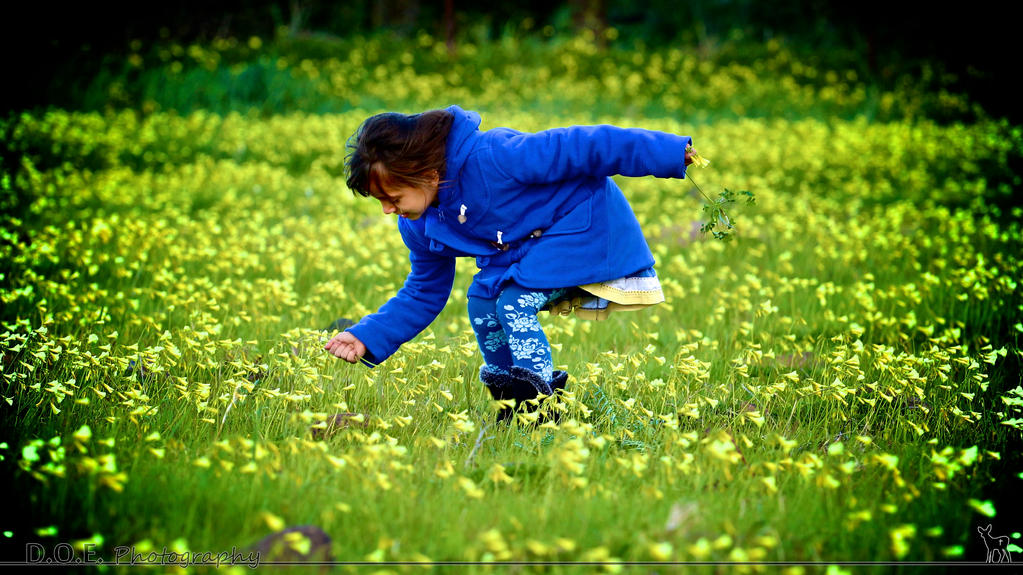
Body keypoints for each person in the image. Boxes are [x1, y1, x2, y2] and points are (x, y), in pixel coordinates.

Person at [325, 105, 695, 421]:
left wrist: (666, 152)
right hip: (525, 247)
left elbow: (585, 145)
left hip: (582, 223)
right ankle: (511, 406)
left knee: (513, 302)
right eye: (379, 201)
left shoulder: (497, 157)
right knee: (482, 303)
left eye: (392, 196)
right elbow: (423, 292)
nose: (388, 210)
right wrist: (366, 335)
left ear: (428, 176)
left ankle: (541, 409)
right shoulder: (419, 224)